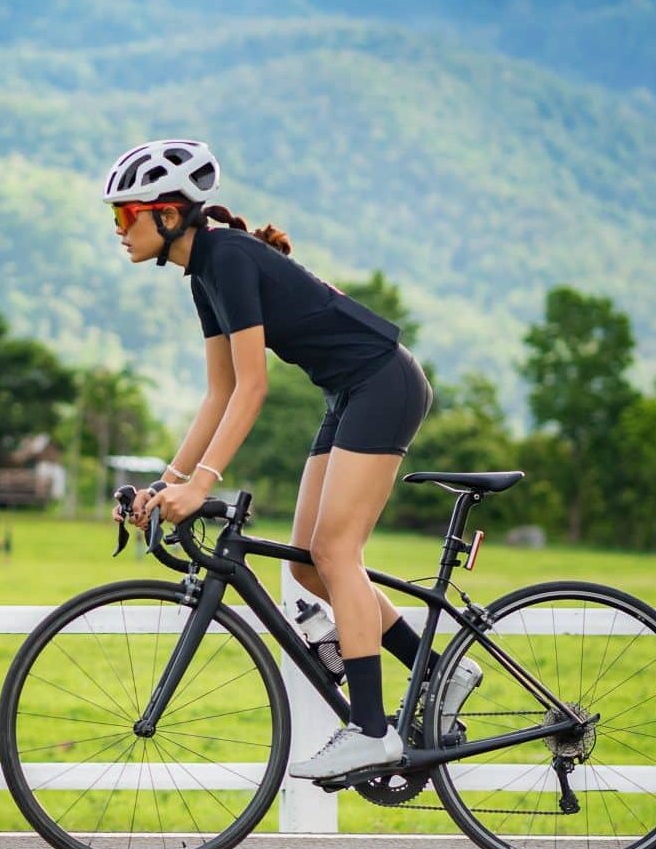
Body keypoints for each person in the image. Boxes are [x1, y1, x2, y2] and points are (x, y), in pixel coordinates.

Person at [102, 139, 478, 781]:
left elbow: (253, 387)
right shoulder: (203, 274)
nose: (117, 231)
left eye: (123, 216)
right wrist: (166, 484)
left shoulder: (226, 256)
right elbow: (218, 391)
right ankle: (440, 669)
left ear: (166, 213)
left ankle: (370, 731)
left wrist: (204, 484)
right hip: (349, 390)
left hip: (382, 382)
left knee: (337, 552)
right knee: (309, 565)